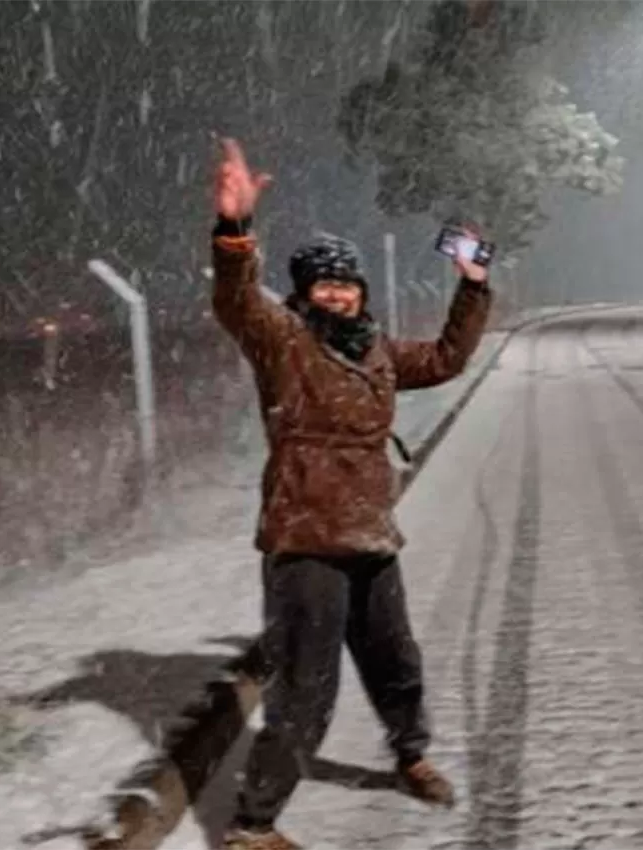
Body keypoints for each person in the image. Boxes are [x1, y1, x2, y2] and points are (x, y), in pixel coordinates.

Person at [211, 138, 492, 850]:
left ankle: (412, 755)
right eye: (323, 284)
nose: (338, 293)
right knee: (307, 689)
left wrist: (472, 286)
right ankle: (253, 825)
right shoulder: (283, 340)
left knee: (397, 662)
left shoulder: (376, 349)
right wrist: (235, 230)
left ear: (361, 290)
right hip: (306, 538)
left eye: (347, 282)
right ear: (303, 293)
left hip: (370, 532)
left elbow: (447, 358)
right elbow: (237, 302)